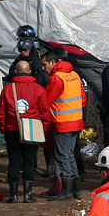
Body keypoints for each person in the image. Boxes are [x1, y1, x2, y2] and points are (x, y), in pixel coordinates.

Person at [0, 60, 50, 203]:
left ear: (15, 72)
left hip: (12, 130)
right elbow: (45, 113)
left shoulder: (8, 89)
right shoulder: (38, 89)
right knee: (29, 161)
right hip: (32, 130)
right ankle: (28, 194)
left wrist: (4, 129)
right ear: (30, 71)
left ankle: (13, 195)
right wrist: (42, 130)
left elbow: (0, 113)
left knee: (14, 161)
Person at [42, 49, 86, 201]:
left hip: (62, 123)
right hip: (76, 122)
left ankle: (66, 191)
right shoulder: (74, 75)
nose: (43, 68)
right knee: (70, 155)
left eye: (45, 64)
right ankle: (76, 190)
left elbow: (46, 101)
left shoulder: (56, 78)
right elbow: (83, 99)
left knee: (62, 156)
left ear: (53, 62)